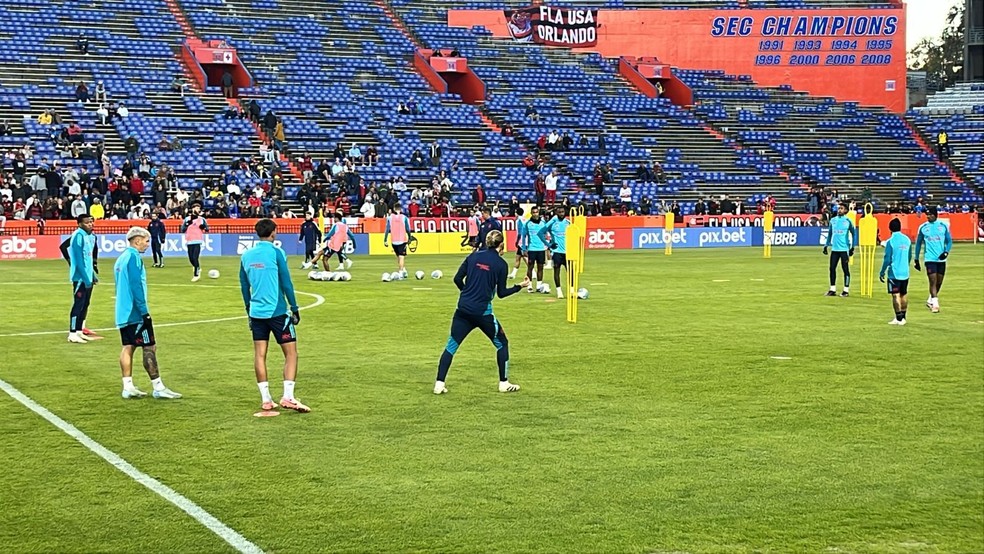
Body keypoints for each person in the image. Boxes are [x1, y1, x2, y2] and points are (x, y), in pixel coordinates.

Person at [434, 230, 529, 395]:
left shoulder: (473, 256)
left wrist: (467, 294)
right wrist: (520, 286)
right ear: (501, 245)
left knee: (451, 346)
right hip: (483, 313)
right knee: (502, 343)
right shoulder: (501, 265)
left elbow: (457, 279)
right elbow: (501, 293)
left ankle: (439, 384)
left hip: (463, 309)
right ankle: (503, 383)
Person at [239, 219, 308, 412]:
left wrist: (249, 311)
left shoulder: (246, 255)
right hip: (277, 312)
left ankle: (266, 399)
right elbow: (286, 283)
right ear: (274, 232)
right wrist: (294, 307)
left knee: (260, 355)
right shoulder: (277, 253)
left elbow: (244, 287)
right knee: (291, 353)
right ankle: (288, 396)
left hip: (256, 312)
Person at [114, 227, 182, 399]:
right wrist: (144, 311)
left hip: (122, 312)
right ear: (137, 241)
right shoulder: (133, 257)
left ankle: (127, 387)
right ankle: (158, 387)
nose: (147, 244)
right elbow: (135, 286)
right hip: (135, 312)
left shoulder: (121, 259)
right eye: (146, 241)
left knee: (128, 347)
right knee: (149, 346)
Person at [63, 213, 100, 343]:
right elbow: (78, 261)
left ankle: (79, 331)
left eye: (91, 222)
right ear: (79, 224)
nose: (90, 224)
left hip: (87, 276)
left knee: (84, 303)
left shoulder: (87, 236)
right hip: (79, 278)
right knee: (78, 304)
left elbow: (87, 260)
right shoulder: (78, 236)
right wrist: (86, 278)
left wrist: (92, 275)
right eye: (87, 222)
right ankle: (72, 333)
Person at [913, 206, 953, 313]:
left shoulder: (943, 226)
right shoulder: (923, 227)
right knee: (932, 281)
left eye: (930, 215)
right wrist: (916, 259)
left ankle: (930, 300)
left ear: (935, 215)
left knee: (939, 282)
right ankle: (935, 304)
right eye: (927, 215)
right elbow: (918, 244)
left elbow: (949, 241)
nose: (928, 217)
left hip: (941, 259)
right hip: (929, 258)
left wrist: (946, 252)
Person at [879, 218, 912, 326]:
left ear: (890, 228)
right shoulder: (907, 240)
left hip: (894, 272)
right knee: (904, 294)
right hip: (905, 271)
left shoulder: (891, 241)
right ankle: (903, 317)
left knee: (895, 294)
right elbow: (909, 256)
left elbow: (887, 258)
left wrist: (882, 271)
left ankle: (898, 318)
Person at [823, 204, 856, 297]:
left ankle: (846, 290)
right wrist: (826, 245)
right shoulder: (833, 220)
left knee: (845, 269)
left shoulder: (848, 221)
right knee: (832, 268)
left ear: (845, 211)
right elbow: (830, 234)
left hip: (844, 249)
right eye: (839, 208)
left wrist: (852, 247)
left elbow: (854, 234)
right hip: (835, 249)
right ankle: (832, 289)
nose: (839, 210)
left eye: (841, 208)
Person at [541, 205, 571, 299]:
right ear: (556, 213)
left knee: (571, 272)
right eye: (559, 212)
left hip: (568, 252)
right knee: (557, 271)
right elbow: (541, 232)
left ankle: (572, 290)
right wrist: (549, 245)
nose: (561, 214)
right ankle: (559, 291)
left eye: (562, 212)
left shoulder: (568, 223)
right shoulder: (553, 222)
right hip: (557, 252)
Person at [383, 203, 412, 278]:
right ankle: (401, 272)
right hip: (402, 240)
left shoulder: (390, 218)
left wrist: (385, 240)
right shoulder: (404, 218)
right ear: (401, 209)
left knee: (398, 256)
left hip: (393, 240)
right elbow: (408, 229)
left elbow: (387, 229)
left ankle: (403, 270)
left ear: (394, 209)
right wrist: (410, 237)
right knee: (401, 256)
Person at [180, 204, 209, 281]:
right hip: (189, 240)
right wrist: (187, 224)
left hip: (198, 240)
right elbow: (182, 229)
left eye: (198, 208)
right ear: (193, 209)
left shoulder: (202, 219)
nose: (197, 209)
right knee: (191, 259)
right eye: (196, 208)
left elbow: (207, 229)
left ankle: (196, 274)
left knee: (195, 257)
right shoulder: (187, 219)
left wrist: (204, 227)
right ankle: (197, 267)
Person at [523, 205, 548, 293]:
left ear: (538, 213)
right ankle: (529, 285)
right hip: (532, 249)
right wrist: (524, 248)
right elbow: (524, 236)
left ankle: (538, 286)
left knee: (540, 267)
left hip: (541, 249)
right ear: (531, 213)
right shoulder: (527, 223)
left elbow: (545, 234)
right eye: (533, 212)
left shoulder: (543, 223)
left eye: (536, 212)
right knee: (530, 267)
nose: (535, 214)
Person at [508, 207, 528, 280]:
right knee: (518, 257)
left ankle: (533, 272)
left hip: (521, 242)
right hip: (526, 240)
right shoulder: (525, 219)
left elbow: (519, 233)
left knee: (524, 257)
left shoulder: (519, 221)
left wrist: (517, 241)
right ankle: (513, 274)